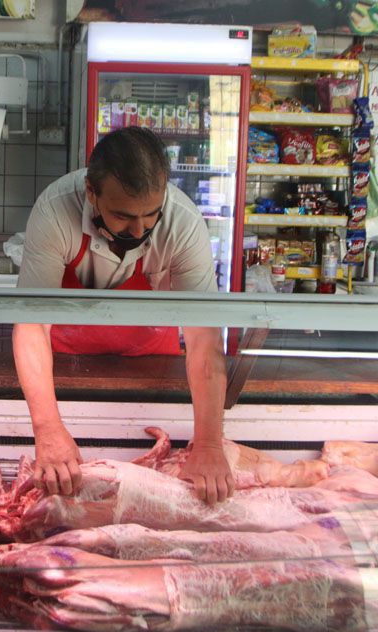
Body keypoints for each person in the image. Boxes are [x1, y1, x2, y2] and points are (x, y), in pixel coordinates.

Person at [12, 127, 233, 504]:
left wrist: (210, 444)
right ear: (90, 192)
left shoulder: (182, 223)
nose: (138, 229)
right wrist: (48, 429)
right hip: (67, 366)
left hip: (148, 365)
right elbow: (32, 324)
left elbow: (204, 338)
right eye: (123, 216)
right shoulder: (55, 211)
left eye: (151, 215)